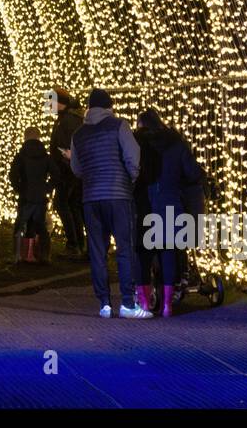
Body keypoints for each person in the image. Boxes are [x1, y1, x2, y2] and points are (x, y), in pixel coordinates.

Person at [69, 88, 152, 319]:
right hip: (118, 196)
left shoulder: (79, 134)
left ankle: (104, 303)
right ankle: (127, 302)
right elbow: (133, 157)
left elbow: (76, 168)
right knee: (125, 249)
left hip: (91, 199)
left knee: (97, 251)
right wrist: (130, 179)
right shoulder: (119, 126)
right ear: (109, 106)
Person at [134, 108, 206, 316]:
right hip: (170, 203)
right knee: (169, 252)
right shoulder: (176, 143)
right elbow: (192, 172)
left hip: (144, 204)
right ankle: (167, 305)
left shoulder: (137, 144)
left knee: (143, 254)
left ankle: (145, 304)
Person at [9, 126, 58, 263]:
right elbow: (56, 174)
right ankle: (43, 255)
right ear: (39, 137)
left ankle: (19, 255)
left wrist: (20, 188)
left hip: (26, 196)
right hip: (40, 197)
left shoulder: (21, 156)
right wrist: (47, 188)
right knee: (40, 226)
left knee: (21, 224)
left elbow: (13, 175)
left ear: (25, 137)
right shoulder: (45, 156)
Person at [49, 89, 86, 259]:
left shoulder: (67, 121)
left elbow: (67, 148)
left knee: (62, 204)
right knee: (72, 205)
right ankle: (78, 244)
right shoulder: (71, 119)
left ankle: (74, 244)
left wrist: (64, 169)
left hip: (67, 172)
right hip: (72, 171)